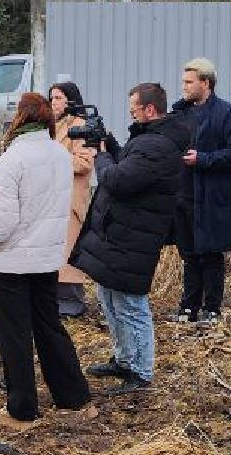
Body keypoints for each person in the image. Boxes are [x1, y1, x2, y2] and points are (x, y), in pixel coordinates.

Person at [0, 92, 97, 431]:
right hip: (45, 258)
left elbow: (1, 223)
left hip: (11, 262)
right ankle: (75, 398)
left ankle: (22, 411)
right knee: (49, 326)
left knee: (13, 334)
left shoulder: (13, 159)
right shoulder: (58, 153)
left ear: (20, 119)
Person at [69, 82, 192, 396]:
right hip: (123, 229)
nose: (132, 115)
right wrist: (108, 140)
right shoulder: (152, 139)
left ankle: (140, 370)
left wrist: (99, 154)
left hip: (135, 233)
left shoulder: (158, 145)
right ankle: (124, 359)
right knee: (110, 298)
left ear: (150, 110)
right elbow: (127, 161)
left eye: (134, 110)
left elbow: (118, 178)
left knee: (130, 303)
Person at [172, 58, 231, 326]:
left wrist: (204, 159)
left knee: (211, 253)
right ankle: (189, 307)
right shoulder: (180, 114)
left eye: (189, 82)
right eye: (183, 81)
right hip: (185, 194)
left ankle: (212, 309)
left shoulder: (229, 114)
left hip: (213, 197)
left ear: (206, 83)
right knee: (189, 253)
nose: (183, 86)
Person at [47, 82, 95, 318]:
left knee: (69, 251)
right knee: (54, 251)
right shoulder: (51, 127)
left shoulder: (80, 126)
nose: (53, 102)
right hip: (51, 198)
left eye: (57, 97)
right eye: (51, 98)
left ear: (71, 101)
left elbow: (85, 162)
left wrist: (55, 159)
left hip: (70, 198)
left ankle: (72, 302)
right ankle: (54, 300)